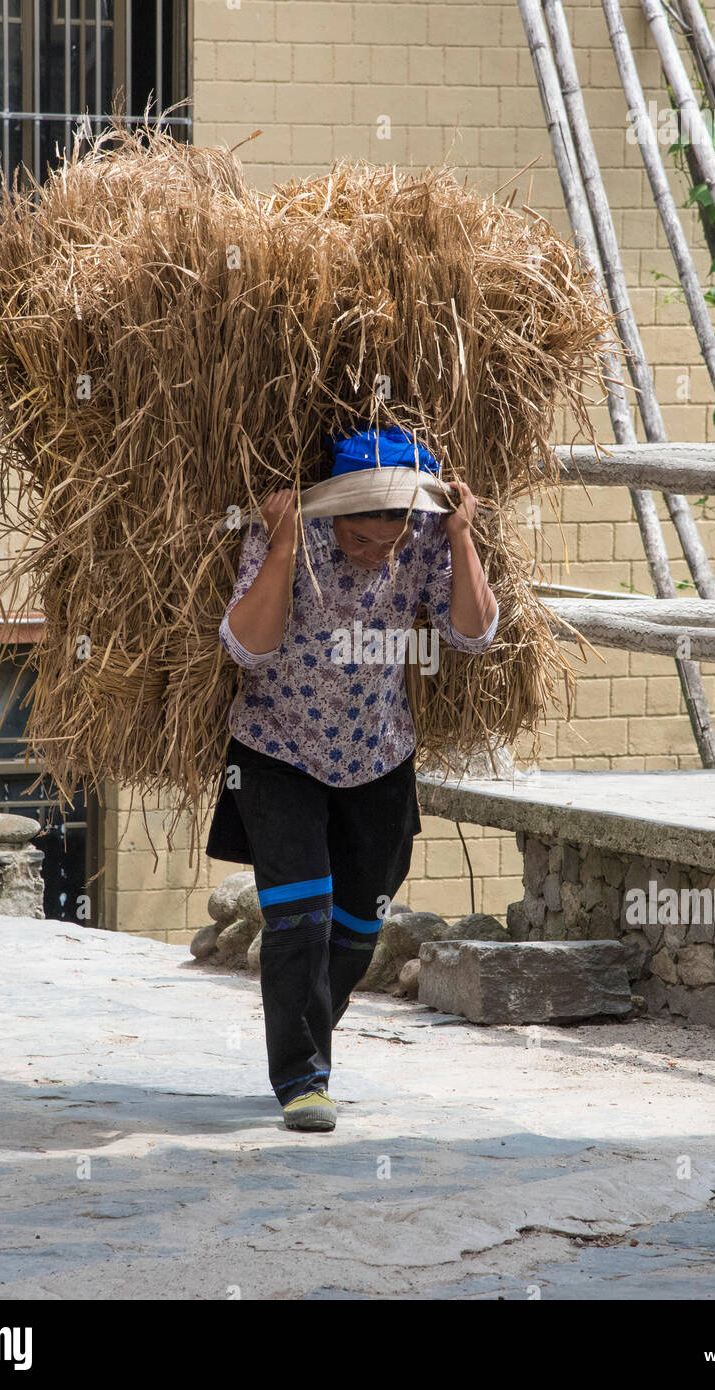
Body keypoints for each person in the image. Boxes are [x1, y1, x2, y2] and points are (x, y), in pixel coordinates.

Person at [205, 426, 499, 1131]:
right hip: (277, 752)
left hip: (378, 756)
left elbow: (473, 635)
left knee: (357, 930)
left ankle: (311, 1032)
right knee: (298, 920)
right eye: (358, 537)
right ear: (332, 512)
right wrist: (281, 546)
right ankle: (303, 1078)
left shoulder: (425, 538)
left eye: (386, 539)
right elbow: (248, 644)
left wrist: (460, 538)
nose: (373, 554)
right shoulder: (289, 537)